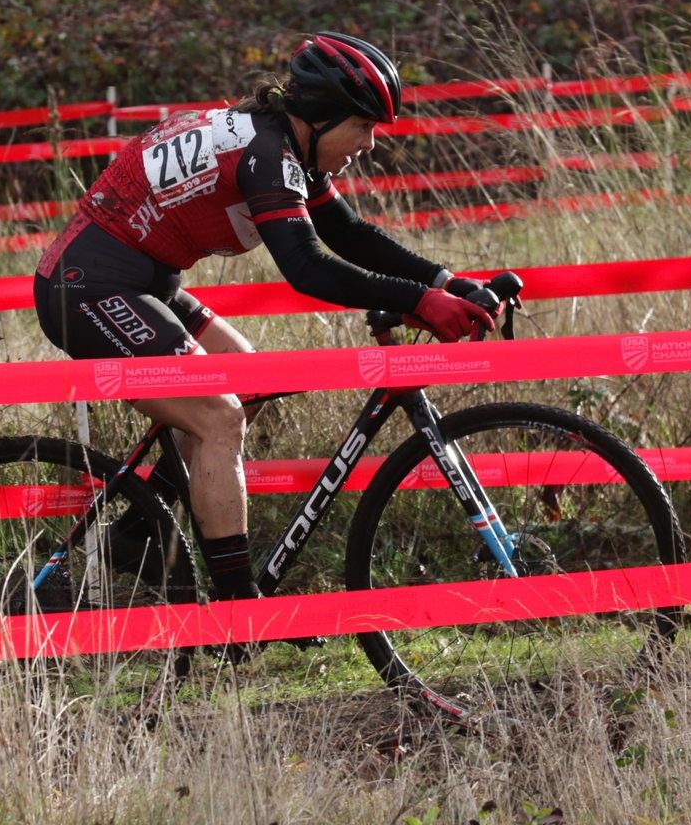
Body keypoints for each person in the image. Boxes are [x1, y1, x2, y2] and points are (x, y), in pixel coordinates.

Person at [34, 31, 494, 603]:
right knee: (219, 417)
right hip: (86, 289)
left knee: (244, 380)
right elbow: (307, 267)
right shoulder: (267, 155)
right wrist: (419, 302)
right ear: (323, 118)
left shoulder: (283, 144)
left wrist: (448, 283)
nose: (370, 144)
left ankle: (132, 536)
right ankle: (237, 609)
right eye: (364, 125)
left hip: (140, 283)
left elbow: (347, 233)